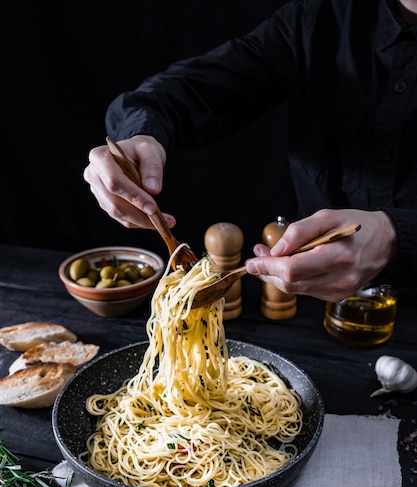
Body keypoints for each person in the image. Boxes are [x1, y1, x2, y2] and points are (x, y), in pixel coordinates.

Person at [84, 0, 417, 303]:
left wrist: (395, 235)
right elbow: (194, 90)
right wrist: (141, 134)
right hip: (313, 308)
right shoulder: (320, 17)